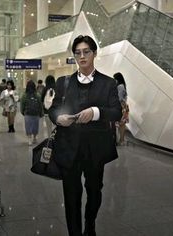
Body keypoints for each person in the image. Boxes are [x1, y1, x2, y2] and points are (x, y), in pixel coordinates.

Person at [48, 35, 122, 236]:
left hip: (95, 149)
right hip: (69, 148)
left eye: (86, 51)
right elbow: (53, 110)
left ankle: (90, 223)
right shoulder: (63, 83)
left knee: (94, 191)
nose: (82, 56)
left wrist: (96, 112)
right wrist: (58, 118)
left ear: (94, 53)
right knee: (71, 196)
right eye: (77, 53)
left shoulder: (108, 84)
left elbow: (117, 112)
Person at [20, 80, 43, 145]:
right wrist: (41, 113)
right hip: (36, 114)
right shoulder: (37, 95)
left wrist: (23, 112)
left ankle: (29, 140)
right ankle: (35, 138)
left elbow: (22, 105)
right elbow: (40, 105)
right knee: (35, 126)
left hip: (27, 113)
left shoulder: (24, 95)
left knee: (28, 126)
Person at [113, 72, 129, 145]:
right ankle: (121, 140)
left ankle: (121, 141)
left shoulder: (120, 86)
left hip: (121, 107)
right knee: (122, 124)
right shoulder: (123, 86)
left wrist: (122, 108)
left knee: (121, 125)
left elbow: (120, 98)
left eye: (115, 78)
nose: (114, 80)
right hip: (124, 107)